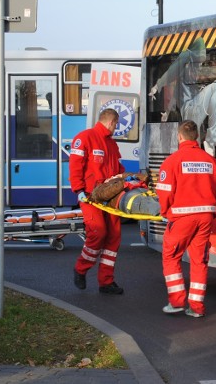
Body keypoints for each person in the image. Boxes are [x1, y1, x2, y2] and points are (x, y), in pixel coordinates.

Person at [156, 120, 216, 317]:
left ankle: (177, 301)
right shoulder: (211, 161)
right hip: (204, 218)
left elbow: (164, 193)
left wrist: (165, 212)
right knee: (199, 260)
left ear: (179, 137)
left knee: (171, 257)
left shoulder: (172, 161)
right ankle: (196, 307)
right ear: (198, 137)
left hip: (181, 218)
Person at [69, 108, 126, 295]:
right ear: (111, 122)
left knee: (114, 236)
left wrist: (127, 179)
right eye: (116, 124)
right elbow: (75, 166)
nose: (116, 127)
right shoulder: (85, 138)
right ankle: (80, 269)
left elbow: (118, 168)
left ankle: (106, 281)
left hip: (109, 196)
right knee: (98, 233)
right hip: (90, 196)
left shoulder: (111, 144)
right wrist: (78, 190)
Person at [148, 37, 216, 156]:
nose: (201, 63)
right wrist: (157, 86)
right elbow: (171, 71)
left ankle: (203, 150)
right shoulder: (187, 56)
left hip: (191, 110)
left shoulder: (190, 78)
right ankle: (211, 141)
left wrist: (166, 113)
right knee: (214, 88)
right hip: (189, 107)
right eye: (200, 59)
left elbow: (174, 97)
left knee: (194, 150)